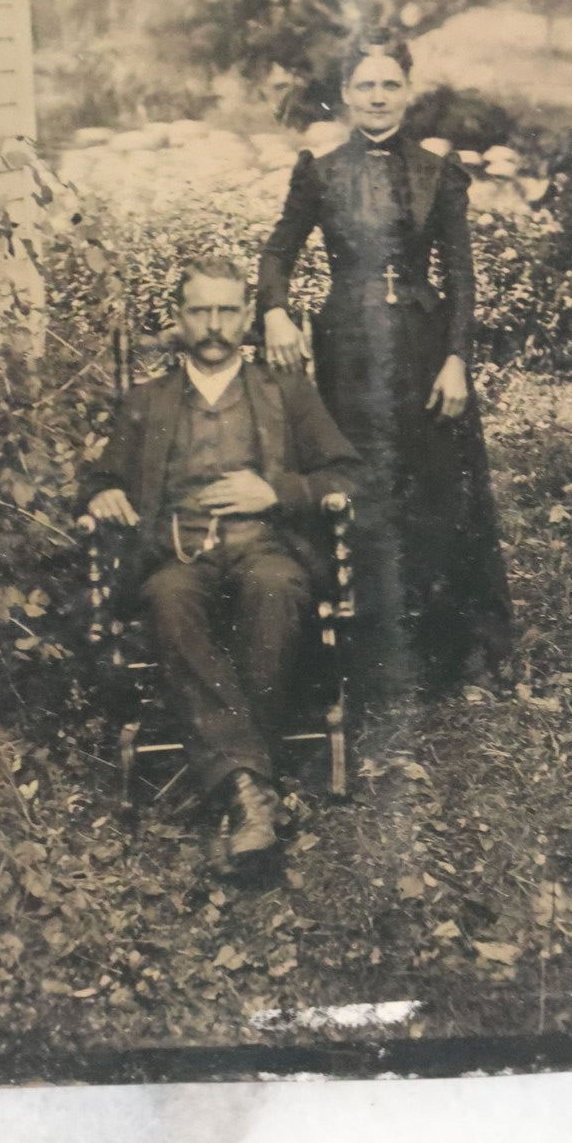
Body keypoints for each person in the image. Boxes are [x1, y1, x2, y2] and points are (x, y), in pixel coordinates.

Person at [85, 255, 360, 875]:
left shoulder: (284, 390)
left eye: (226, 310)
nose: (213, 324)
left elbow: (346, 474)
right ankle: (253, 794)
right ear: (178, 319)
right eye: (199, 310)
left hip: (266, 546)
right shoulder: (147, 400)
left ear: (246, 317)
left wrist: (278, 492)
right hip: (176, 551)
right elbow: (102, 476)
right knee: (168, 600)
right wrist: (102, 493)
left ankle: (235, 786)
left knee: (275, 587)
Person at [258, 32, 512, 687]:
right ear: (345, 95)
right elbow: (276, 254)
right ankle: (359, 657)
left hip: (424, 354)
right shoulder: (319, 171)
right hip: (349, 353)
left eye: (389, 84)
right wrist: (276, 311)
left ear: (407, 90)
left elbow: (461, 278)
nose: (377, 96)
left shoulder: (438, 173)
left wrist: (457, 360)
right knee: (357, 486)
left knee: (432, 490)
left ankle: (443, 653)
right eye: (365, 85)